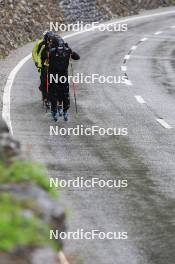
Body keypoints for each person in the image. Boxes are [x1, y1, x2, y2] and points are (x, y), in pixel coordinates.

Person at [48, 36, 80, 122]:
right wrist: (69, 49)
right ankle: (64, 110)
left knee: (54, 94)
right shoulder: (67, 51)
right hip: (63, 76)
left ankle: (55, 111)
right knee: (64, 93)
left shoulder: (51, 51)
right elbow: (77, 57)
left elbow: (46, 61)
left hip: (53, 76)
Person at [32, 31, 55, 108]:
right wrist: (37, 63)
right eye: (49, 38)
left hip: (52, 66)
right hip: (43, 65)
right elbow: (35, 53)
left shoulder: (54, 44)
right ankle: (45, 98)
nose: (50, 39)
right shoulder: (40, 44)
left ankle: (52, 97)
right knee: (44, 81)